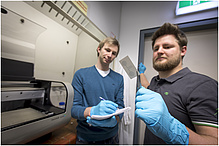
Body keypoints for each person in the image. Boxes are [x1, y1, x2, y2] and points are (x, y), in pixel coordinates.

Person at [136, 23, 218, 144]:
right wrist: (141, 73)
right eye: (156, 48)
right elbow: (148, 88)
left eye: (167, 47)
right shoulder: (155, 81)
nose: (159, 51)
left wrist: (173, 130)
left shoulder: (202, 85)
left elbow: (214, 142)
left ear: (183, 50)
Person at [71, 37, 124, 144]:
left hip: (111, 137)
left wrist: (115, 120)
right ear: (99, 49)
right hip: (86, 137)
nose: (110, 55)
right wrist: (92, 111)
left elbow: (120, 105)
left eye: (114, 53)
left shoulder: (119, 78)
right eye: (107, 50)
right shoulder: (81, 75)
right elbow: (74, 109)